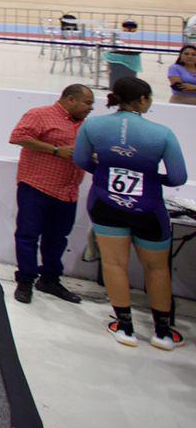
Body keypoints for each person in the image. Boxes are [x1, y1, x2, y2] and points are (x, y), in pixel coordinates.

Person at [74, 77, 188, 349]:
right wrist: (149, 178)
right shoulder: (161, 133)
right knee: (157, 267)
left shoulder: (93, 125)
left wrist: (105, 172)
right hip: (147, 207)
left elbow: (80, 160)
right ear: (143, 100)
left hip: (105, 203)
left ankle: (124, 327)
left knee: (114, 264)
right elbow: (178, 176)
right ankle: (162, 332)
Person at [8, 84, 94, 305]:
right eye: (87, 103)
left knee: (58, 237)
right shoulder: (40, 115)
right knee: (28, 235)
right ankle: (25, 280)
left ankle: (50, 279)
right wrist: (55, 150)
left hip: (67, 191)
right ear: (70, 100)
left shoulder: (86, 126)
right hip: (37, 185)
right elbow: (18, 136)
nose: (90, 108)